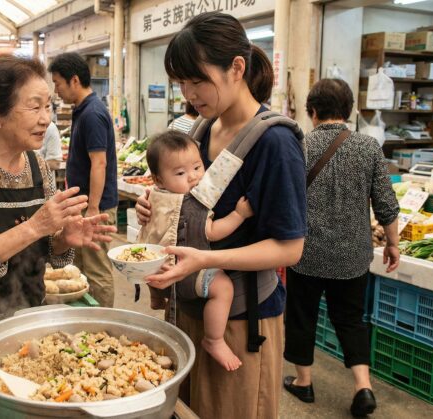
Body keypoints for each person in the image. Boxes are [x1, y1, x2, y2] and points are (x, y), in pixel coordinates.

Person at [136, 12, 306, 418]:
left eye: (197, 81)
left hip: (241, 323)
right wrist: (158, 207)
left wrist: (207, 259)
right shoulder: (200, 132)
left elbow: (290, 248)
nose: (188, 93)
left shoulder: (275, 142)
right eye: (181, 83)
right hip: (191, 307)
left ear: (236, 68)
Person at [0, 54, 116, 385]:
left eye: (49, 108)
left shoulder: (38, 166)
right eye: (35, 107)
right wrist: (37, 225)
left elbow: (40, 247)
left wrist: (62, 240)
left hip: (25, 322)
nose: (46, 119)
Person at [283, 79, 400, 418]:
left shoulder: (298, 146)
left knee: (301, 316)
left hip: (305, 252)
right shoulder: (368, 147)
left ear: (313, 111)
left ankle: (304, 383)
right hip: (353, 255)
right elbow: (386, 204)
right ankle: (363, 387)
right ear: (348, 111)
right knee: (351, 319)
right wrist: (392, 243)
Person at [142, 131, 254, 371]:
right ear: (159, 179)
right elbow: (212, 232)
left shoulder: (156, 196)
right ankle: (214, 339)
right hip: (186, 272)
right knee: (223, 287)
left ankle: (155, 295)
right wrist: (238, 215)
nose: (193, 178)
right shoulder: (192, 204)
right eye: (181, 173)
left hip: (158, 268)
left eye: (197, 167)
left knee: (155, 269)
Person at [49, 52, 118, 308]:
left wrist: (93, 207)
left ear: (74, 80)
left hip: (94, 206)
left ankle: (103, 324)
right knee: (79, 266)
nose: (56, 90)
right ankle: (84, 318)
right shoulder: (83, 110)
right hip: (83, 203)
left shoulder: (92, 114)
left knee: (97, 269)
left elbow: (100, 163)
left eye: (57, 83)